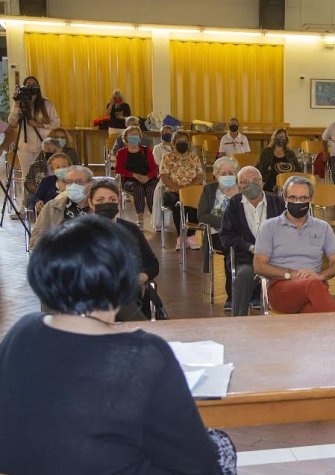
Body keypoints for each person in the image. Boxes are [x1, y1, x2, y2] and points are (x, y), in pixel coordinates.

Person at [0, 215, 236, 473]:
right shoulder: (142, 354)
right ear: (124, 278)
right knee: (220, 446)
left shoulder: (22, 331)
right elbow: (196, 460)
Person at [253, 176, 335, 314]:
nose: (297, 202)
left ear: (310, 200)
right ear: (284, 198)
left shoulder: (323, 227)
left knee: (314, 312)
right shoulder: (269, 227)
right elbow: (259, 265)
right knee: (314, 288)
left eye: (303, 198)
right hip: (282, 288)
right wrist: (291, 274)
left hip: (315, 287)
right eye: (293, 198)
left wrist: (320, 276)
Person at [86, 178, 161, 322]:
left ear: (118, 202)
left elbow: (152, 264)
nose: (106, 204)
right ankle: (139, 327)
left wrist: (142, 277)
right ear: (90, 203)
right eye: (100, 200)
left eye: (112, 199)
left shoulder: (131, 229)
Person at [220, 166, 286, 316]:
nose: (250, 184)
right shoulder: (234, 204)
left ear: (262, 183)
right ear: (239, 185)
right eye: (245, 181)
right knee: (243, 277)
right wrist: (249, 247)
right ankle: (238, 322)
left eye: (255, 180)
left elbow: (288, 230)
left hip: (277, 260)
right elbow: (226, 236)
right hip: (248, 260)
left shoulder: (277, 202)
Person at [7, 76, 60, 198]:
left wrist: (39, 124)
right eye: (28, 84)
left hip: (44, 145)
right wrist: (17, 104)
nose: (31, 87)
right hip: (24, 146)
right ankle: (25, 206)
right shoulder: (20, 104)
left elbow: (56, 123)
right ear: (23, 87)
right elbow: (12, 122)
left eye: (34, 84)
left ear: (38, 86)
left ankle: (44, 203)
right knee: (26, 177)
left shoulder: (46, 103)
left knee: (45, 176)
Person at [199, 157, 241, 311]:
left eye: (231, 172)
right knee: (232, 253)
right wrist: (225, 223)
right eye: (224, 173)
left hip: (241, 233)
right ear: (216, 174)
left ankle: (253, 294)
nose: (228, 176)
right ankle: (232, 297)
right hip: (218, 234)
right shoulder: (209, 190)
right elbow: (202, 215)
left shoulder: (242, 189)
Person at [160, 130, 204, 250]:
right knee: (179, 204)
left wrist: (188, 189)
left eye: (185, 141)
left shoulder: (194, 158)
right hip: (172, 192)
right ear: (173, 143)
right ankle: (181, 237)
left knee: (196, 204)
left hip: (191, 190)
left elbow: (200, 176)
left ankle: (192, 237)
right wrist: (179, 189)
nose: (182, 144)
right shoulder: (168, 157)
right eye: (179, 142)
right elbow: (164, 177)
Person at [30, 165, 93, 248]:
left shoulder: (99, 207)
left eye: (79, 182)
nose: (73, 186)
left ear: (90, 183)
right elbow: (36, 238)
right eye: (69, 182)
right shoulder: (52, 206)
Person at [115, 125, 159, 227]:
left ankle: (154, 216)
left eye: (136, 134)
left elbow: (153, 168)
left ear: (139, 137)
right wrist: (134, 175)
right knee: (138, 188)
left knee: (150, 188)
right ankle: (140, 217)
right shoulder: (121, 152)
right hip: (131, 180)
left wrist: (147, 177)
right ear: (126, 137)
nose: (134, 136)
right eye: (132, 134)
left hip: (148, 178)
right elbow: (119, 169)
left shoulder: (146, 150)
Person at [257, 127, 302, 193]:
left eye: (283, 137)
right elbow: (260, 168)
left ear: (286, 139)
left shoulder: (290, 153)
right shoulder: (267, 152)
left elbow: (298, 169)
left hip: (287, 184)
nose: (281, 139)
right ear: (274, 138)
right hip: (270, 183)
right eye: (279, 137)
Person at [23, 138, 62, 202]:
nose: (51, 153)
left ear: (60, 152)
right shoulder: (36, 165)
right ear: (43, 151)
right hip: (39, 198)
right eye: (48, 150)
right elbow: (29, 183)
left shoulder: (65, 166)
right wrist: (42, 194)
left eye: (54, 151)